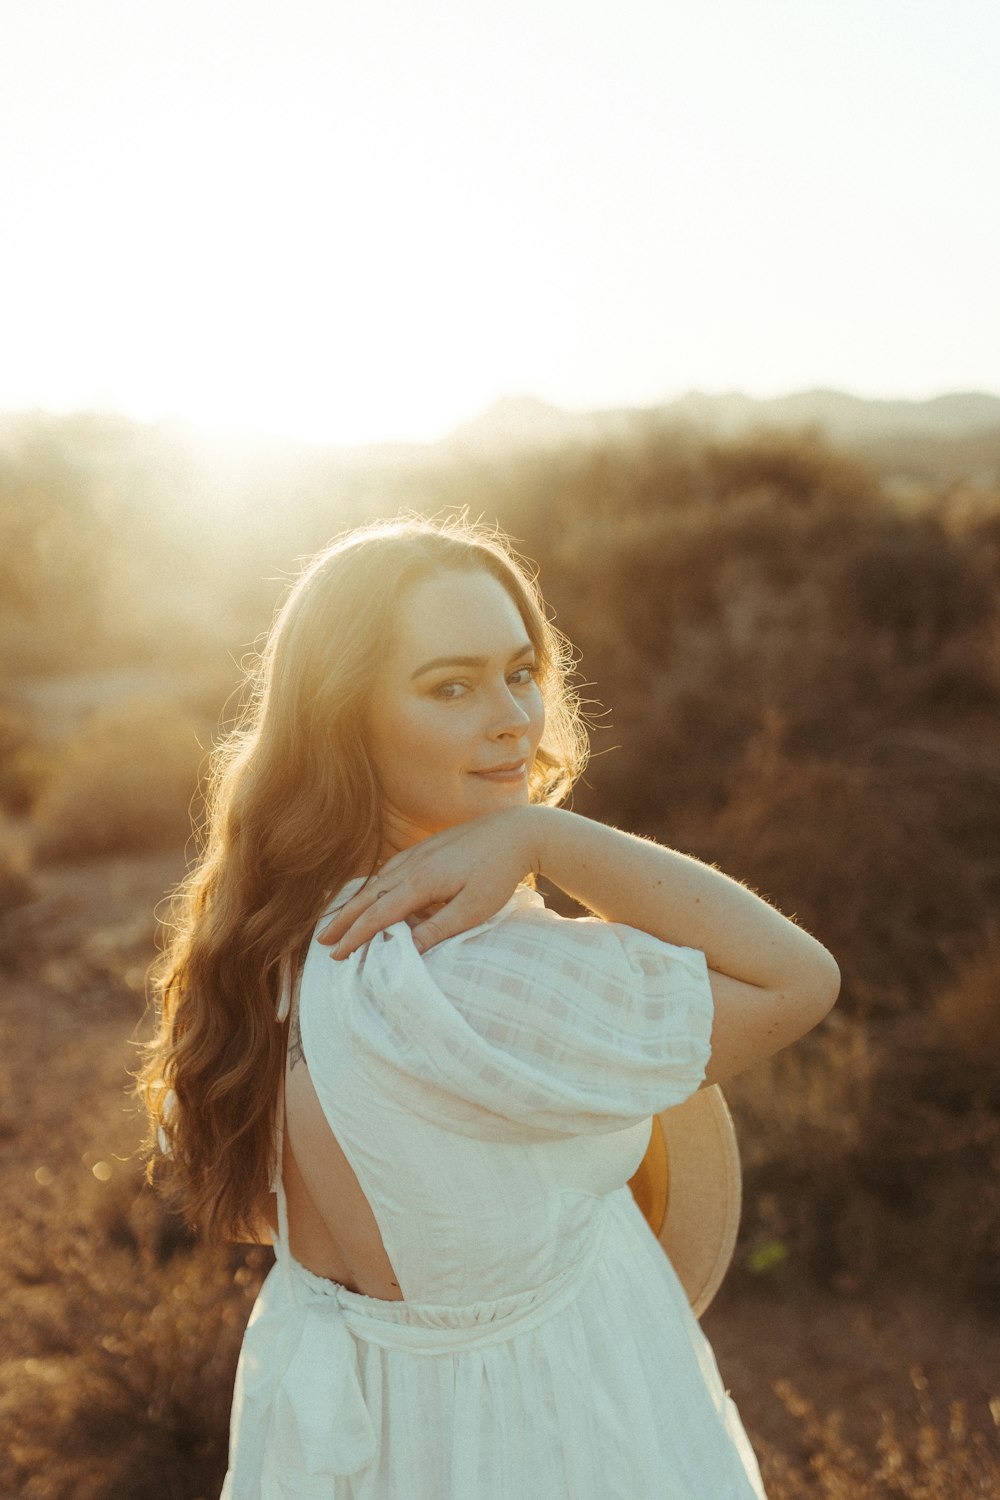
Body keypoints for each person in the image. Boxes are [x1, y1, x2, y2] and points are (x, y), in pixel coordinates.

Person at [139, 514, 840, 1499]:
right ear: (346, 720)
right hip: (544, 1439)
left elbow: (271, 1213)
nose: (515, 717)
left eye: (522, 671)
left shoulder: (274, 928)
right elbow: (797, 979)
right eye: (451, 686)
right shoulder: (468, 975)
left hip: (363, 1438)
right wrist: (551, 843)